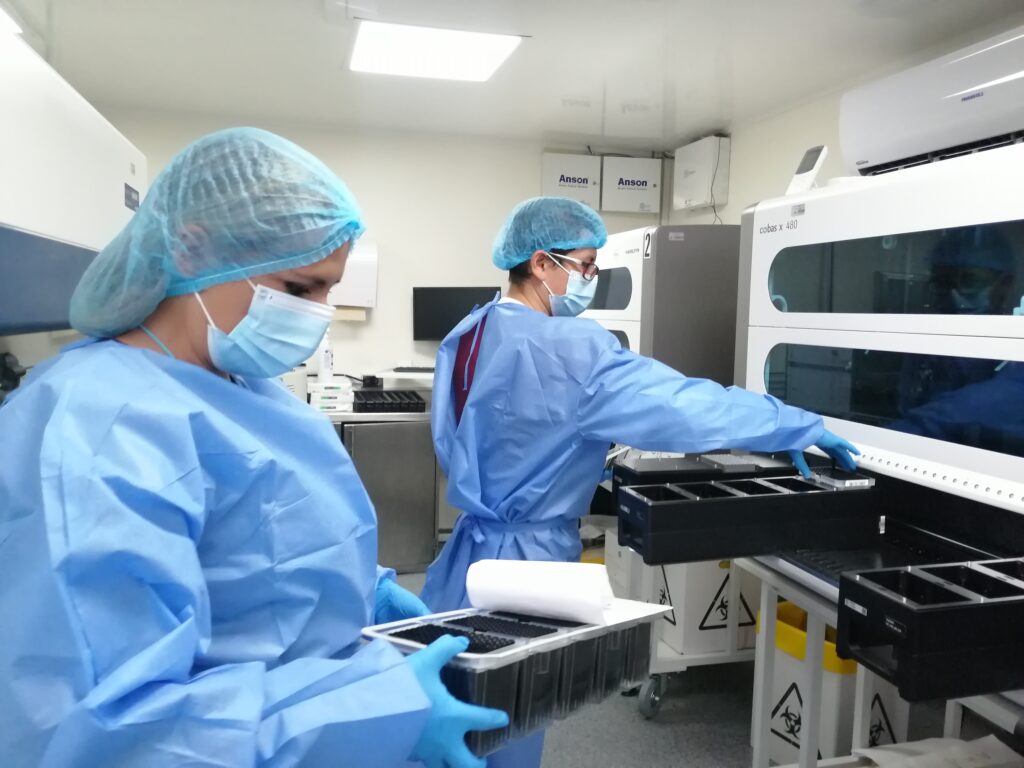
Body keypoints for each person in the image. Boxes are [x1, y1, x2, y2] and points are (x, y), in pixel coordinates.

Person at [0, 128, 506, 768]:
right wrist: (370, 711)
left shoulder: (247, 388)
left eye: (330, 289)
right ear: (190, 249)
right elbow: (111, 730)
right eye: (300, 289)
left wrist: (364, 592)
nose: (319, 313)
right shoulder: (96, 427)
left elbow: (271, 541)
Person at [420, 195, 859, 768]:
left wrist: (569, 458)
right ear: (539, 262)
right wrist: (792, 425)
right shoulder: (570, 350)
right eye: (583, 264)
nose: (590, 278)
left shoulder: (471, 330)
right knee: (511, 712)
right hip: (528, 559)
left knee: (456, 696)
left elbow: (483, 434)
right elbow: (688, 407)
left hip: (470, 552)